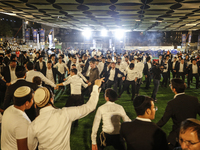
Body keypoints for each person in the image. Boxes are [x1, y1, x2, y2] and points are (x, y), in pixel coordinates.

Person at [28, 78, 103, 150]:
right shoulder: (65, 114)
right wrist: (96, 87)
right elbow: (90, 107)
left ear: (35, 104)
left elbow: (31, 147)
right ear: (52, 99)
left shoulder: (33, 125)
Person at [157, 78, 200, 150]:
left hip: (178, 134)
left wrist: (152, 127)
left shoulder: (172, 103)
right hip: (193, 134)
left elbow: (163, 120)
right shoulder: (194, 99)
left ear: (173, 89)